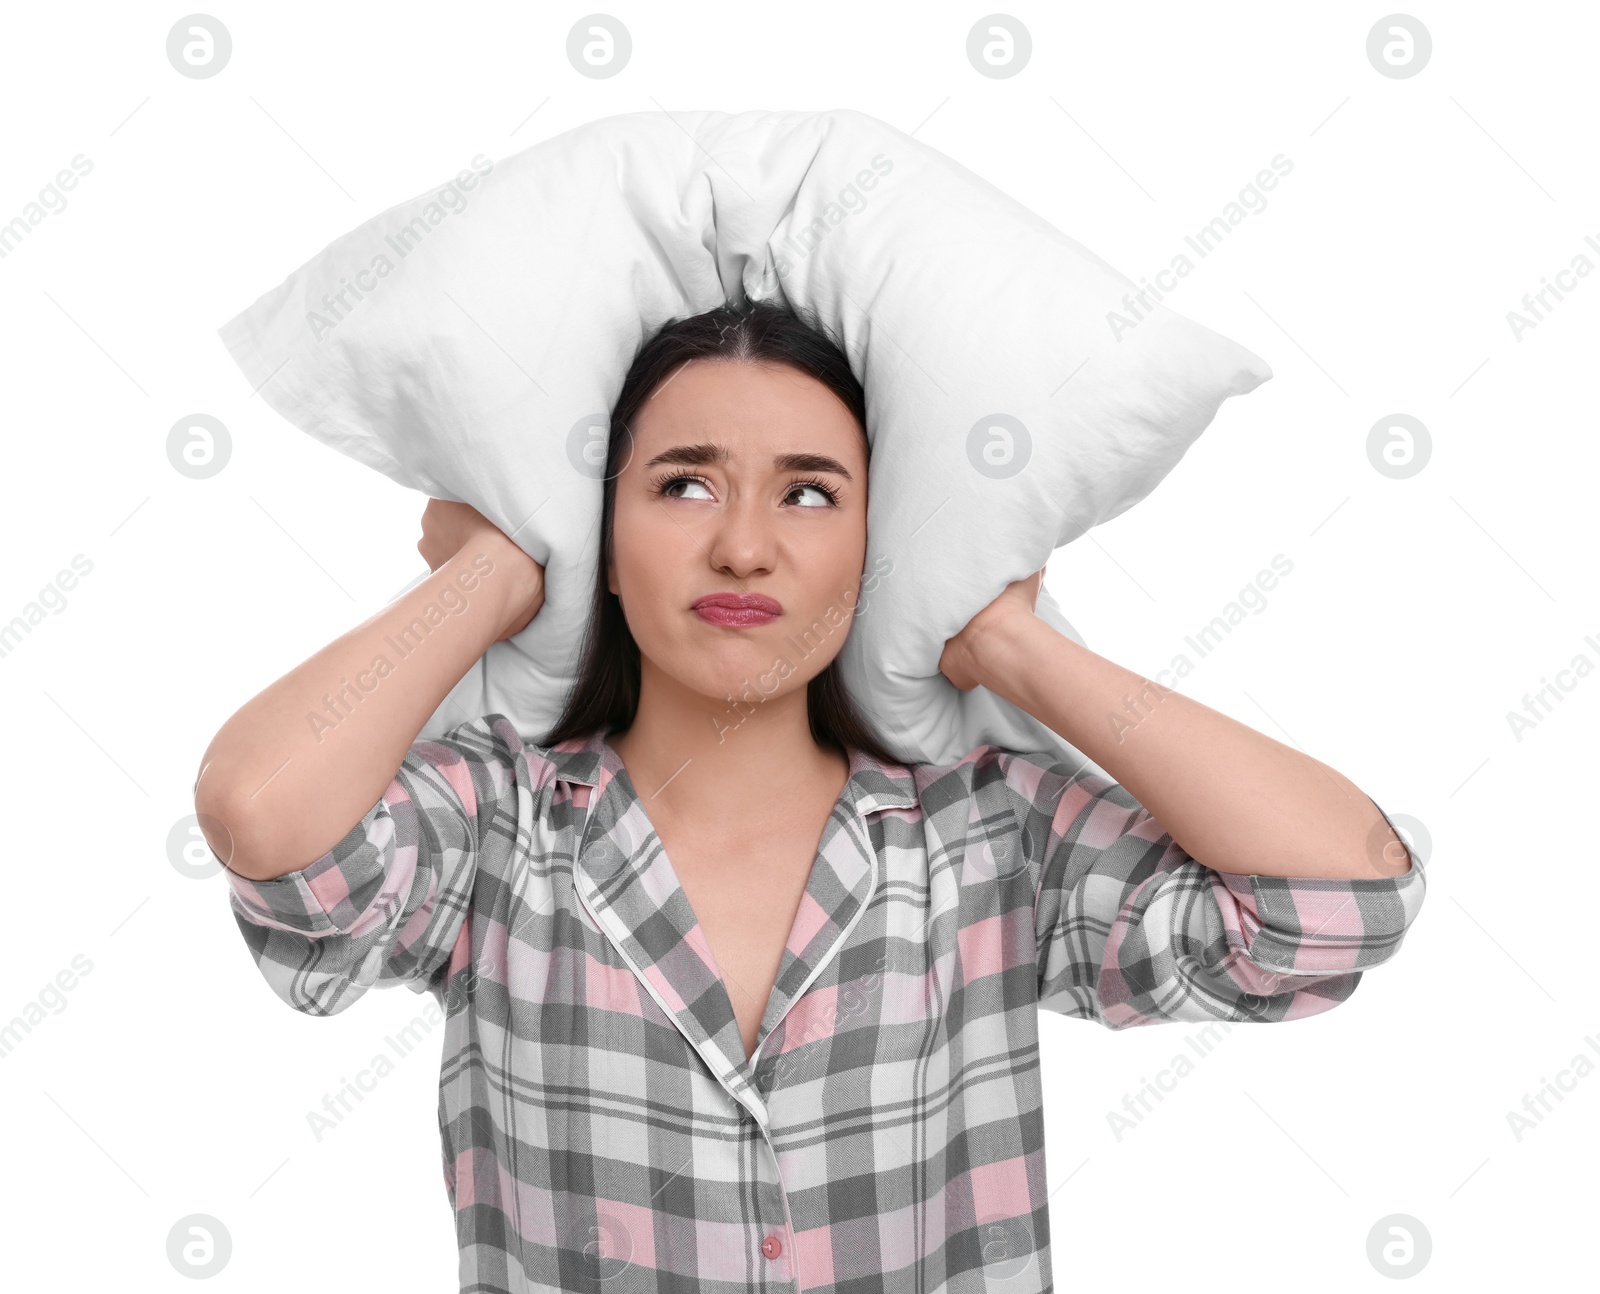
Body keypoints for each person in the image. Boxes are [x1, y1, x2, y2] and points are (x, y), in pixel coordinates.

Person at [194, 297, 1426, 1293]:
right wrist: (496, 572)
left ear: (870, 546)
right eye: (682, 484)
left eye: (809, 491)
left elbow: (1340, 892)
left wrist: (1013, 642)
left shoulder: (986, 834)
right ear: (608, 538)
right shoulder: (497, 824)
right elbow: (262, 818)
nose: (743, 546)